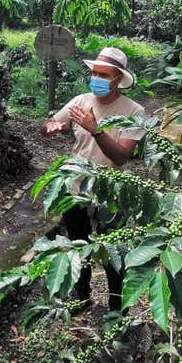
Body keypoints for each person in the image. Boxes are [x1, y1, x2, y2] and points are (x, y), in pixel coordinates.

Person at [41, 47, 146, 312]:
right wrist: (53, 127)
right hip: (75, 188)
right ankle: (82, 296)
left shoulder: (134, 111)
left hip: (110, 194)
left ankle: (116, 306)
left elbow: (122, 156)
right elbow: (48, 124)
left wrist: (96, 130)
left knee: (113, 254)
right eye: (94, 72)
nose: (96, 78)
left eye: (103, 74)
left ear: (117, 79)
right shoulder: (80, 101)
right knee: (79, 246)